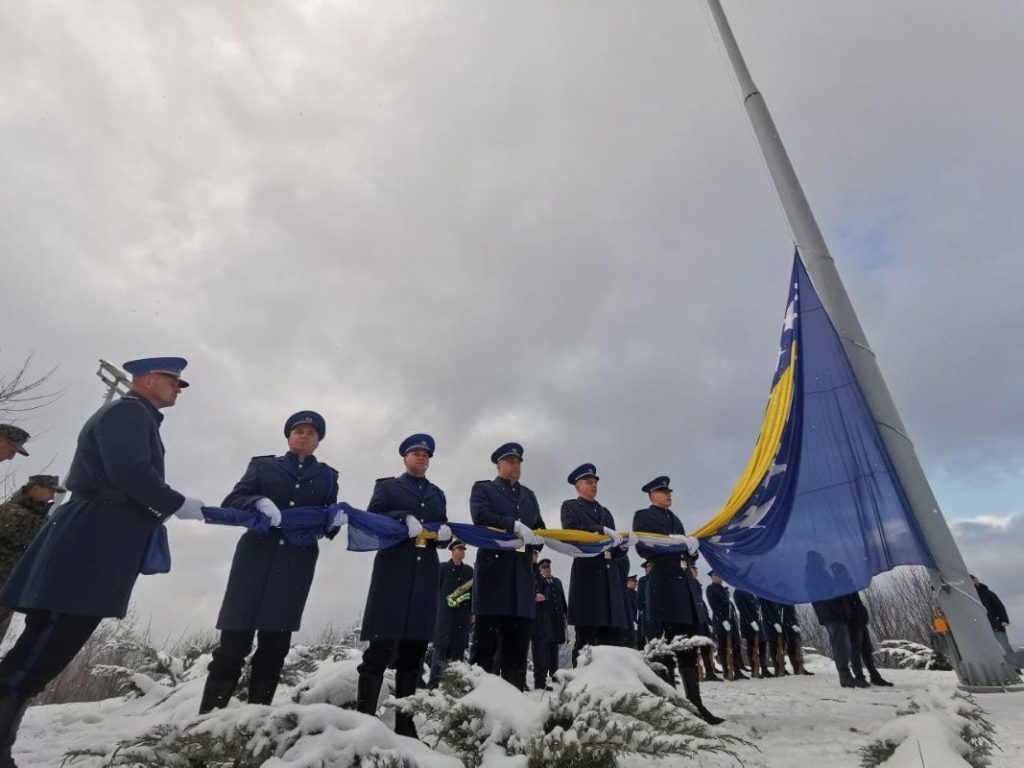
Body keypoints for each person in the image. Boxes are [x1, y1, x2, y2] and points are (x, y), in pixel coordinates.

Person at [0, 357, 206, 765]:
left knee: (46, 652)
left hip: (97, 543)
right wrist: (178, 503)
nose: (178, 389)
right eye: (173, 381)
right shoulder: (127, 412)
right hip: (89, 545)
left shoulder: (138, 416)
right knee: (43, 649)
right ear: (148, 380)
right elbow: (130, 472)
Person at [198, 411, 343, 713]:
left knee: (274, 648)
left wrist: (335, 521)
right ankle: (208, 719)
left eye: (310, 432)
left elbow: (327, 523)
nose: (303, 436)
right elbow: (233, 500)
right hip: (255, 557)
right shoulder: (263, 466)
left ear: (318, 441)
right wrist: (257, 502)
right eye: (298, 431)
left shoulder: (328, 476)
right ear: (288, 437)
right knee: (232, 645)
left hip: (295, 563)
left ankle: (257, 718)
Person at [357, 434, 451, 737]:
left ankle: (405, 728)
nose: (421, 458)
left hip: (424, 576)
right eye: (416, 453)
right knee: (379, 652)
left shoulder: (437, 494)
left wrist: (448, 534)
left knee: (413, 654)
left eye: (426, 455)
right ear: (405, 457)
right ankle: (363, 722)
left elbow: (442, 524)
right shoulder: (387, 487)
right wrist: (403, 517)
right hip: (393, 573)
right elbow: (372, 518)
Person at [632, 476, 723, 724]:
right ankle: (670, 707)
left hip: (683, 587)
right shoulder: (644, 516)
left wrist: (691, 550)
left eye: (669, 491)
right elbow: (645, 548)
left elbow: (683, 552)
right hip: (664, 587)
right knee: (666, 651)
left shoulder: (676, 519)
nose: (669, 494)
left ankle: (696, 705)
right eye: (663, 491)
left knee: (687, 648)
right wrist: (677, 544)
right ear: (652, 495)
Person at [469, 442, 545, 691]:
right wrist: (512, 525)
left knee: (517, 655)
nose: (516, 465)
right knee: (485, 652)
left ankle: (514, 711)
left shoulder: (529, 496)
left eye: (518, 462)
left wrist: (542, 537)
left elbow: (539, 527)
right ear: (499, 465)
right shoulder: (484, 490)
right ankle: (478, 710)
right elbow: (480, 517)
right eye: (511, 461)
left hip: (521, 584)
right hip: (494, 579)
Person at [561, 464, 630, 666]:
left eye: (595, 482)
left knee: (612, 642)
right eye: (589, 482)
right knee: (586, 642)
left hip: (609, 581)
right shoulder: (570, 507)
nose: (594, 485)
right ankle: (581, 688)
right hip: (588, 578)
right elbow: (572, 532)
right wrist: (601, 530)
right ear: (578, 486)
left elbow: (613, 547)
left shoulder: (605, 511)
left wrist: (623, 546)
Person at [0, 476, 64, 641]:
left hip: (8, 584)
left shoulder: (36, 515)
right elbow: (38, 535)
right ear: (36, 489)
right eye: (51, 491)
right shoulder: (12, 511)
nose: (52, 497)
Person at [806, 552, 859, 688]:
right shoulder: (816, 574)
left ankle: (846, 674)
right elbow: (828, 591)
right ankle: (845, 675)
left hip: (830, 613)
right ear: (816, 560)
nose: (823, 560)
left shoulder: (814, 573)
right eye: (821, 558)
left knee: (841, 643)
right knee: (841, 644)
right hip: (832, 614)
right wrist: (838, 579)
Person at [428, 541, 474, 688]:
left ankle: (454, 690)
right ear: (452, 551)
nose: (462, 551)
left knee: (457, 659)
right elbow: (434, 592)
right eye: (459, 549)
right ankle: (433, 688)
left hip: (462, 619)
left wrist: (472, 612)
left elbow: (473, 593)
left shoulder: (469, 571)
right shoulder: (442, 568)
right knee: (439, 656)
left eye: (463, 549)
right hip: (444, 619)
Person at [531, 557, 567, 689]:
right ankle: (541, 679)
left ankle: (555, 675)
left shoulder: (557, 582)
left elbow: (562, 600)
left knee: (553, 649)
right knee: (542, 651)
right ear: (540, 569)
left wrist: (565, 614)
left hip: (556, 621)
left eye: (548, 567)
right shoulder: (539, 582)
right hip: (543, 622)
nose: (547, 569)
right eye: (544, 567)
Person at [844, 592, 892, 686]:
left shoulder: (852, 588)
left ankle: (875, 676)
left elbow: (858, 603)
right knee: (856, 652)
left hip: (861, 621)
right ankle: (859, 678)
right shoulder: (841, 589)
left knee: (867, 650)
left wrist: (864, 615)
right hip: (852, 623)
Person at [706, 571, 747, 681]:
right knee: (723, 648)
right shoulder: (711, 589)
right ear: (713, 577)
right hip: (721, 623)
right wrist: (723, 620)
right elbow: (714, 606)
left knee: (736, 647)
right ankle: (726, 671)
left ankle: (737, 671)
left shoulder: (723, 589)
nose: (721, 578)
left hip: (731, 623)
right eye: (718, 576)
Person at [970, 575, 1015, 661]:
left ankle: (1015, 666)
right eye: (973, 581)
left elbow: (1000, 607)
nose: (975, 582)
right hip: (982, 627)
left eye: (975, 580)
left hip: (996, 624)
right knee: (990, 649)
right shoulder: (969, 596)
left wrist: (1004, 620)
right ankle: (999, 666)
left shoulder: (988, 593)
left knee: (1005, 646)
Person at [690, 565, 722, 681]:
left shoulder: (696, 583)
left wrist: (707, 621)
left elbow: (701, 605)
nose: (696, 571)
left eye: (696, 569)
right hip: (694, 622)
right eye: (694, 569)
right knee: (694, 649)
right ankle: (696, 673)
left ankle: (709, 672)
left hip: (702, 621)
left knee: (706, 648)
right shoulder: (689, 583)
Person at [733, 588, 771, 678]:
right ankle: (755, 669)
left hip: (758, 621)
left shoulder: (753, 591)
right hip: (748, 623)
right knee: (752, 646)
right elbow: (742, 608)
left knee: (762, 644)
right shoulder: (738, 591)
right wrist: (751, 621)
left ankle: (764, 669)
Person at [780, 603, 814, 676]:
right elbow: (784, 615)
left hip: (793, 625)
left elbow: (793, 615)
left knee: (796, 647)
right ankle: (797, 668)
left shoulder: (789, 601)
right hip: (787, 627)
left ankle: (799, 668)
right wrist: (792, 624)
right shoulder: (782, 601)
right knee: (792, 647)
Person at [636, 560, 654, 649]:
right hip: (648, 614)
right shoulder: (642, 580)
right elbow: (639, 599)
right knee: (649, 639)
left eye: (650, 566)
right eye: (648, 567)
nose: (649, 568)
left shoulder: (658, 578)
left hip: (660, 613)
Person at [624, 574, 639, 649]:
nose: (636, 583)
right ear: (629, 582)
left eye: (636, 582)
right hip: (628, 621)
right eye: (634, 581)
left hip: (634, 622)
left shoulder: (635, 593)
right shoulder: (626, 593)